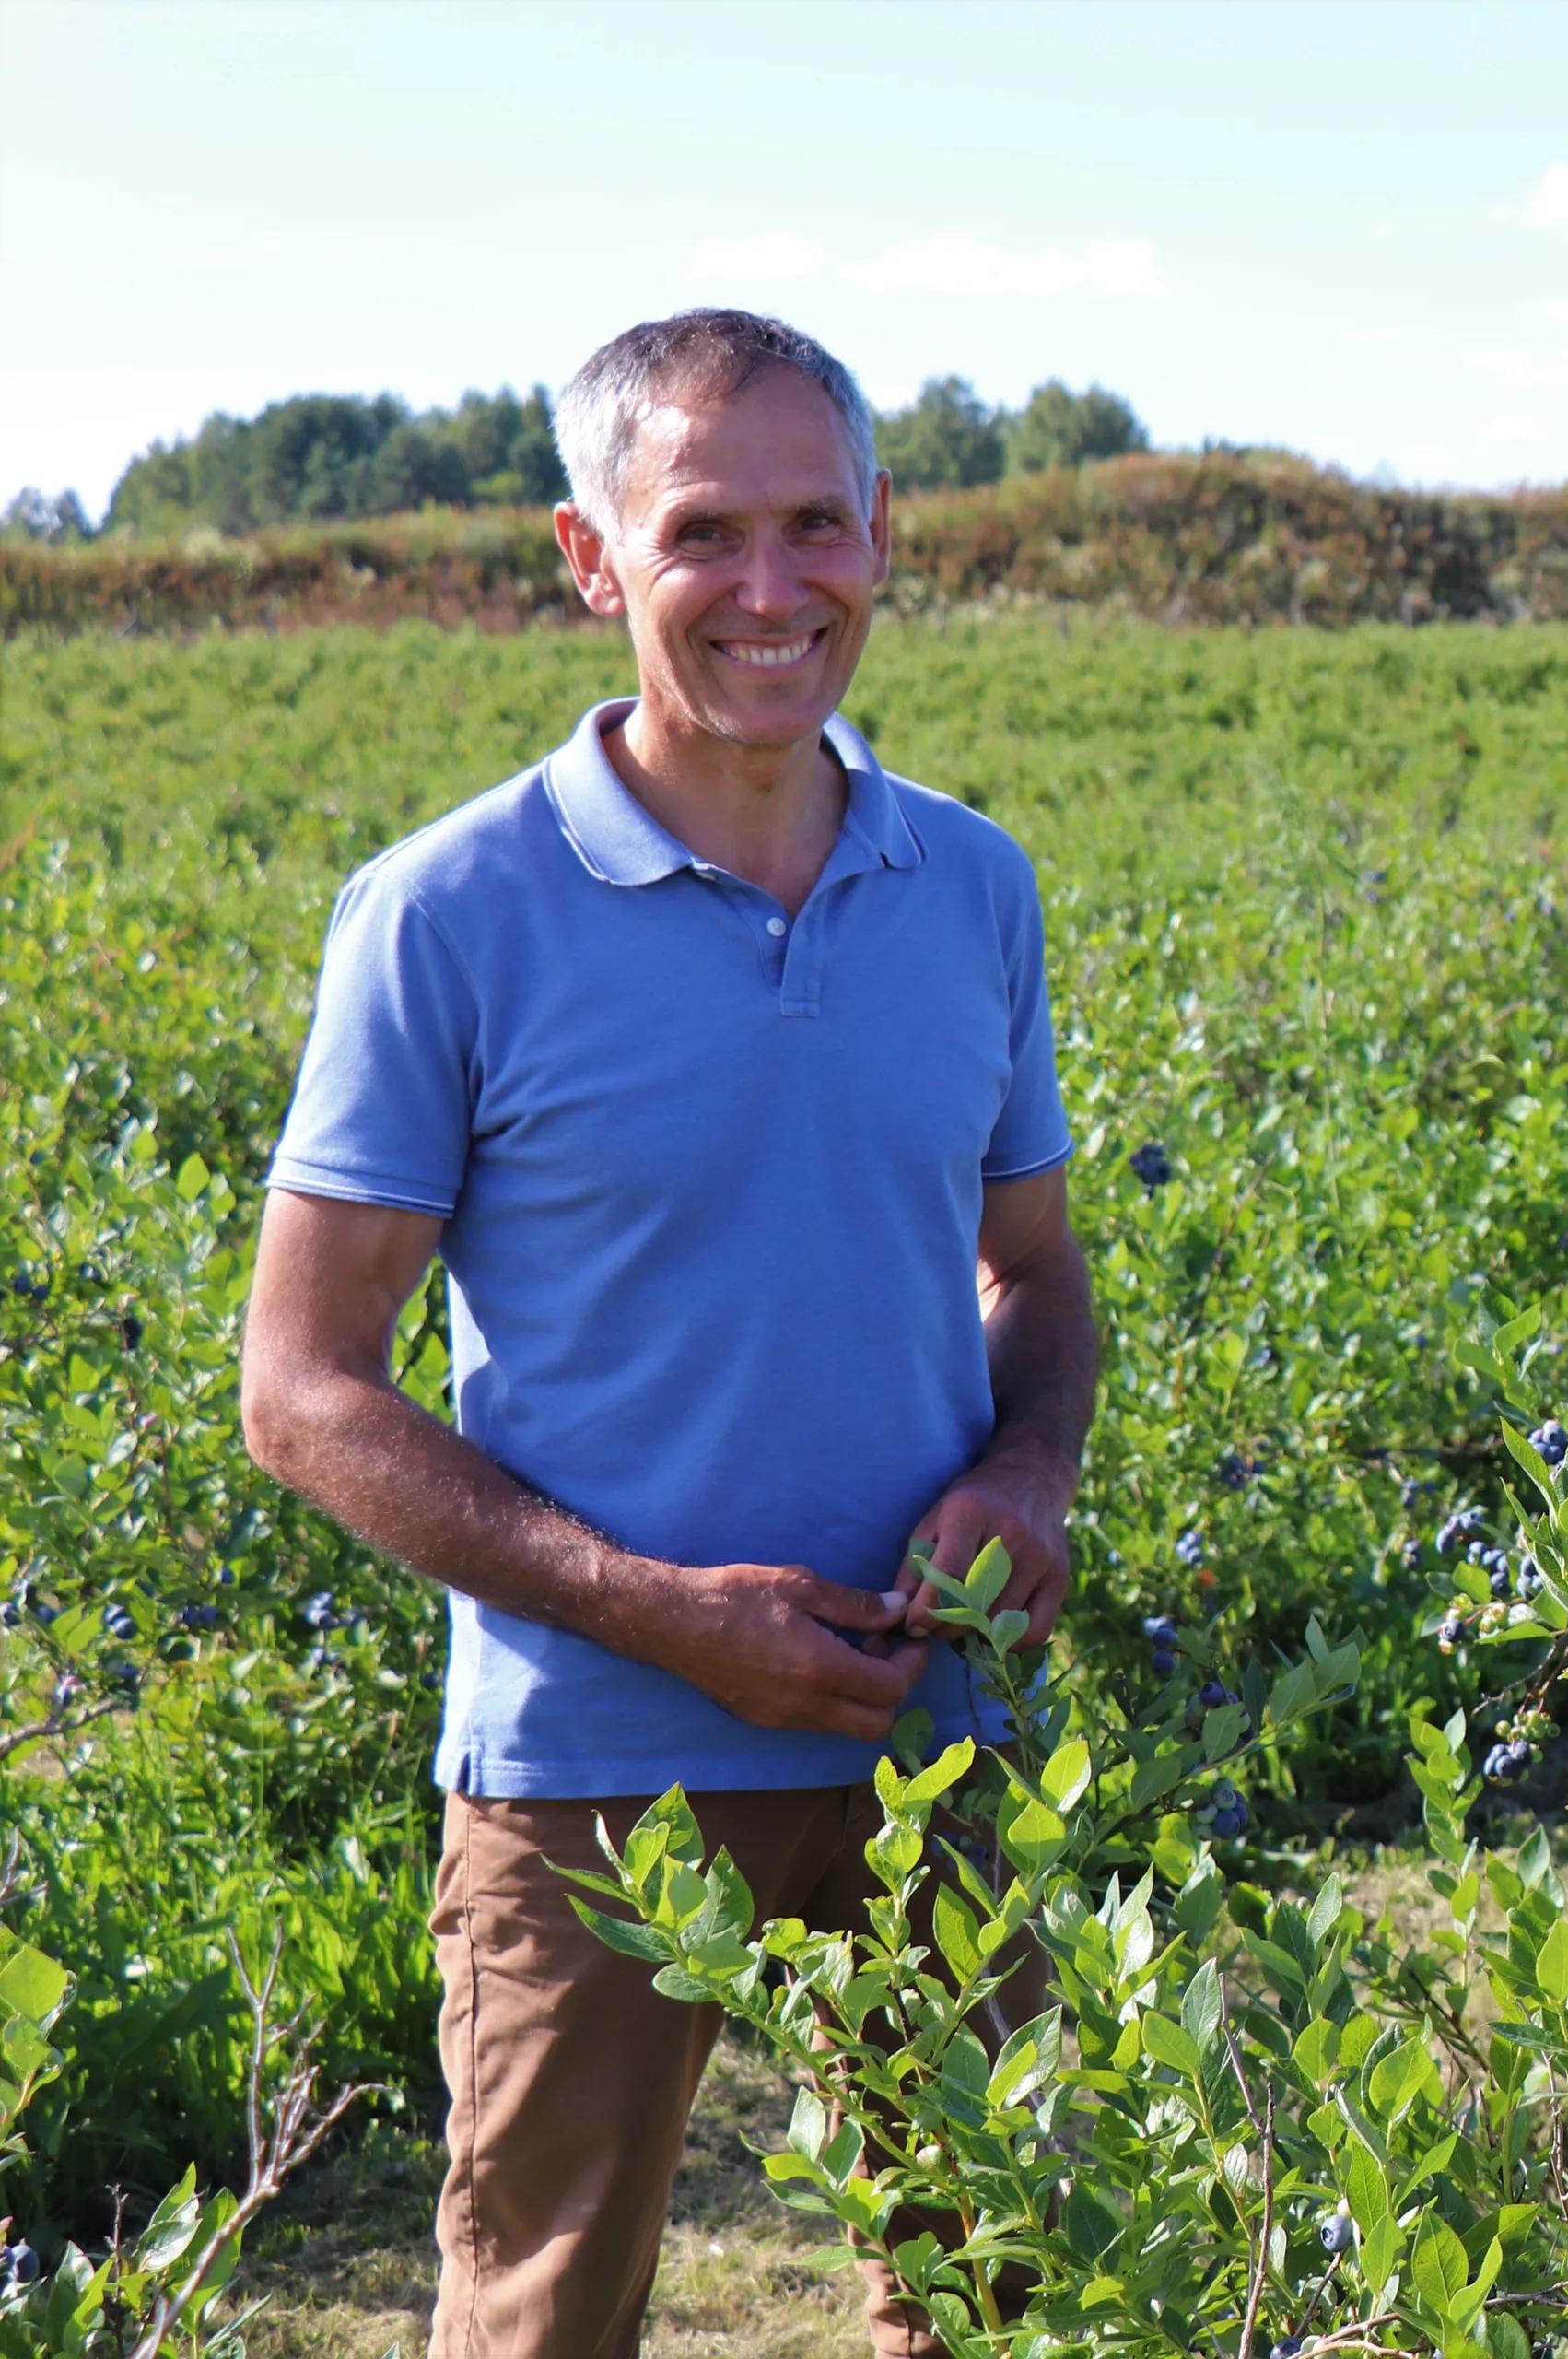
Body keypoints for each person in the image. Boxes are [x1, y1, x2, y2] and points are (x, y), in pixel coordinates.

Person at [237, 309, 1096, 2359]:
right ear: (590, 553)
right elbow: (303, 1386)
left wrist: (1024, 1470)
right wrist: (658, 1608)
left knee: (1001, 2299)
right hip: (586, 1781)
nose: (775, 586)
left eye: (819, 521)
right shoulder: (448, 911)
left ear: (887, 532)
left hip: (923, 1743)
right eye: (706, 528)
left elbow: (1036, 1276)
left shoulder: (970, 885)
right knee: (544, 2321)